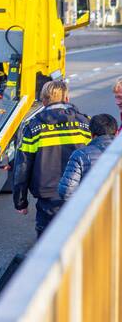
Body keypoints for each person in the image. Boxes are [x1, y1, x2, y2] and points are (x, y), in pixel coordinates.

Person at [12, 79, 89, 236]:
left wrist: (20, 201)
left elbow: (23, 165)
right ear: (66, 98)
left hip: (48, 195)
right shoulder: (84, 122)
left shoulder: (33, 126)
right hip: (79, 191)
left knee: (47, 240)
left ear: (44, 100)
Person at [58, 113, 117, 201]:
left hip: (95, 211)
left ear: (92, 135)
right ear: (116, 132)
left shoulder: (80, 155)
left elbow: (67, 191)